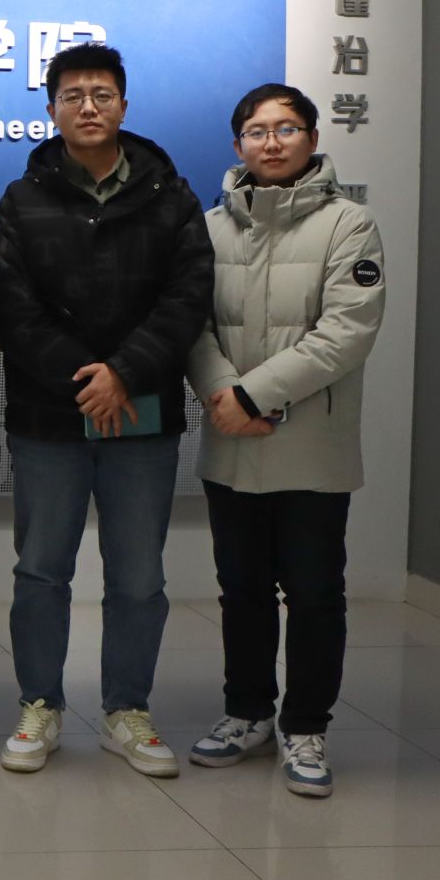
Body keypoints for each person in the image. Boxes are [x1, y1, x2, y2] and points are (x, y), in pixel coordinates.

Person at [0, 43, 214, 777]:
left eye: (102, 94)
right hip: (48, 417)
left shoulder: (170, 196)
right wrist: (86, 378)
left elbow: (188, 298)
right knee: (41, 571)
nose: (88, 107)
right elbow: (11, 310)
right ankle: (40, 704)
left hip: (141, 414)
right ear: (51, 108)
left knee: (138, 577)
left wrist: (124, 373)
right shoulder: (21, 201)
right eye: (73, 95)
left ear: (123, 103)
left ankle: (127, 709)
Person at [185, 84, 385, 798]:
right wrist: (223, 394)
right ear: (237, 143)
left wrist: (250, 397)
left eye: (286, 129)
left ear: (312, 138)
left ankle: (305, 725)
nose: (271, 142)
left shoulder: (349, 224)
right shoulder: (210, 228)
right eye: (257, 131)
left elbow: (346, 331)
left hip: (311, 446)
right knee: (241, 590)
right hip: (231, 442)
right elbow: (192, 326)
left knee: (314, 593)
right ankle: (247, 713)